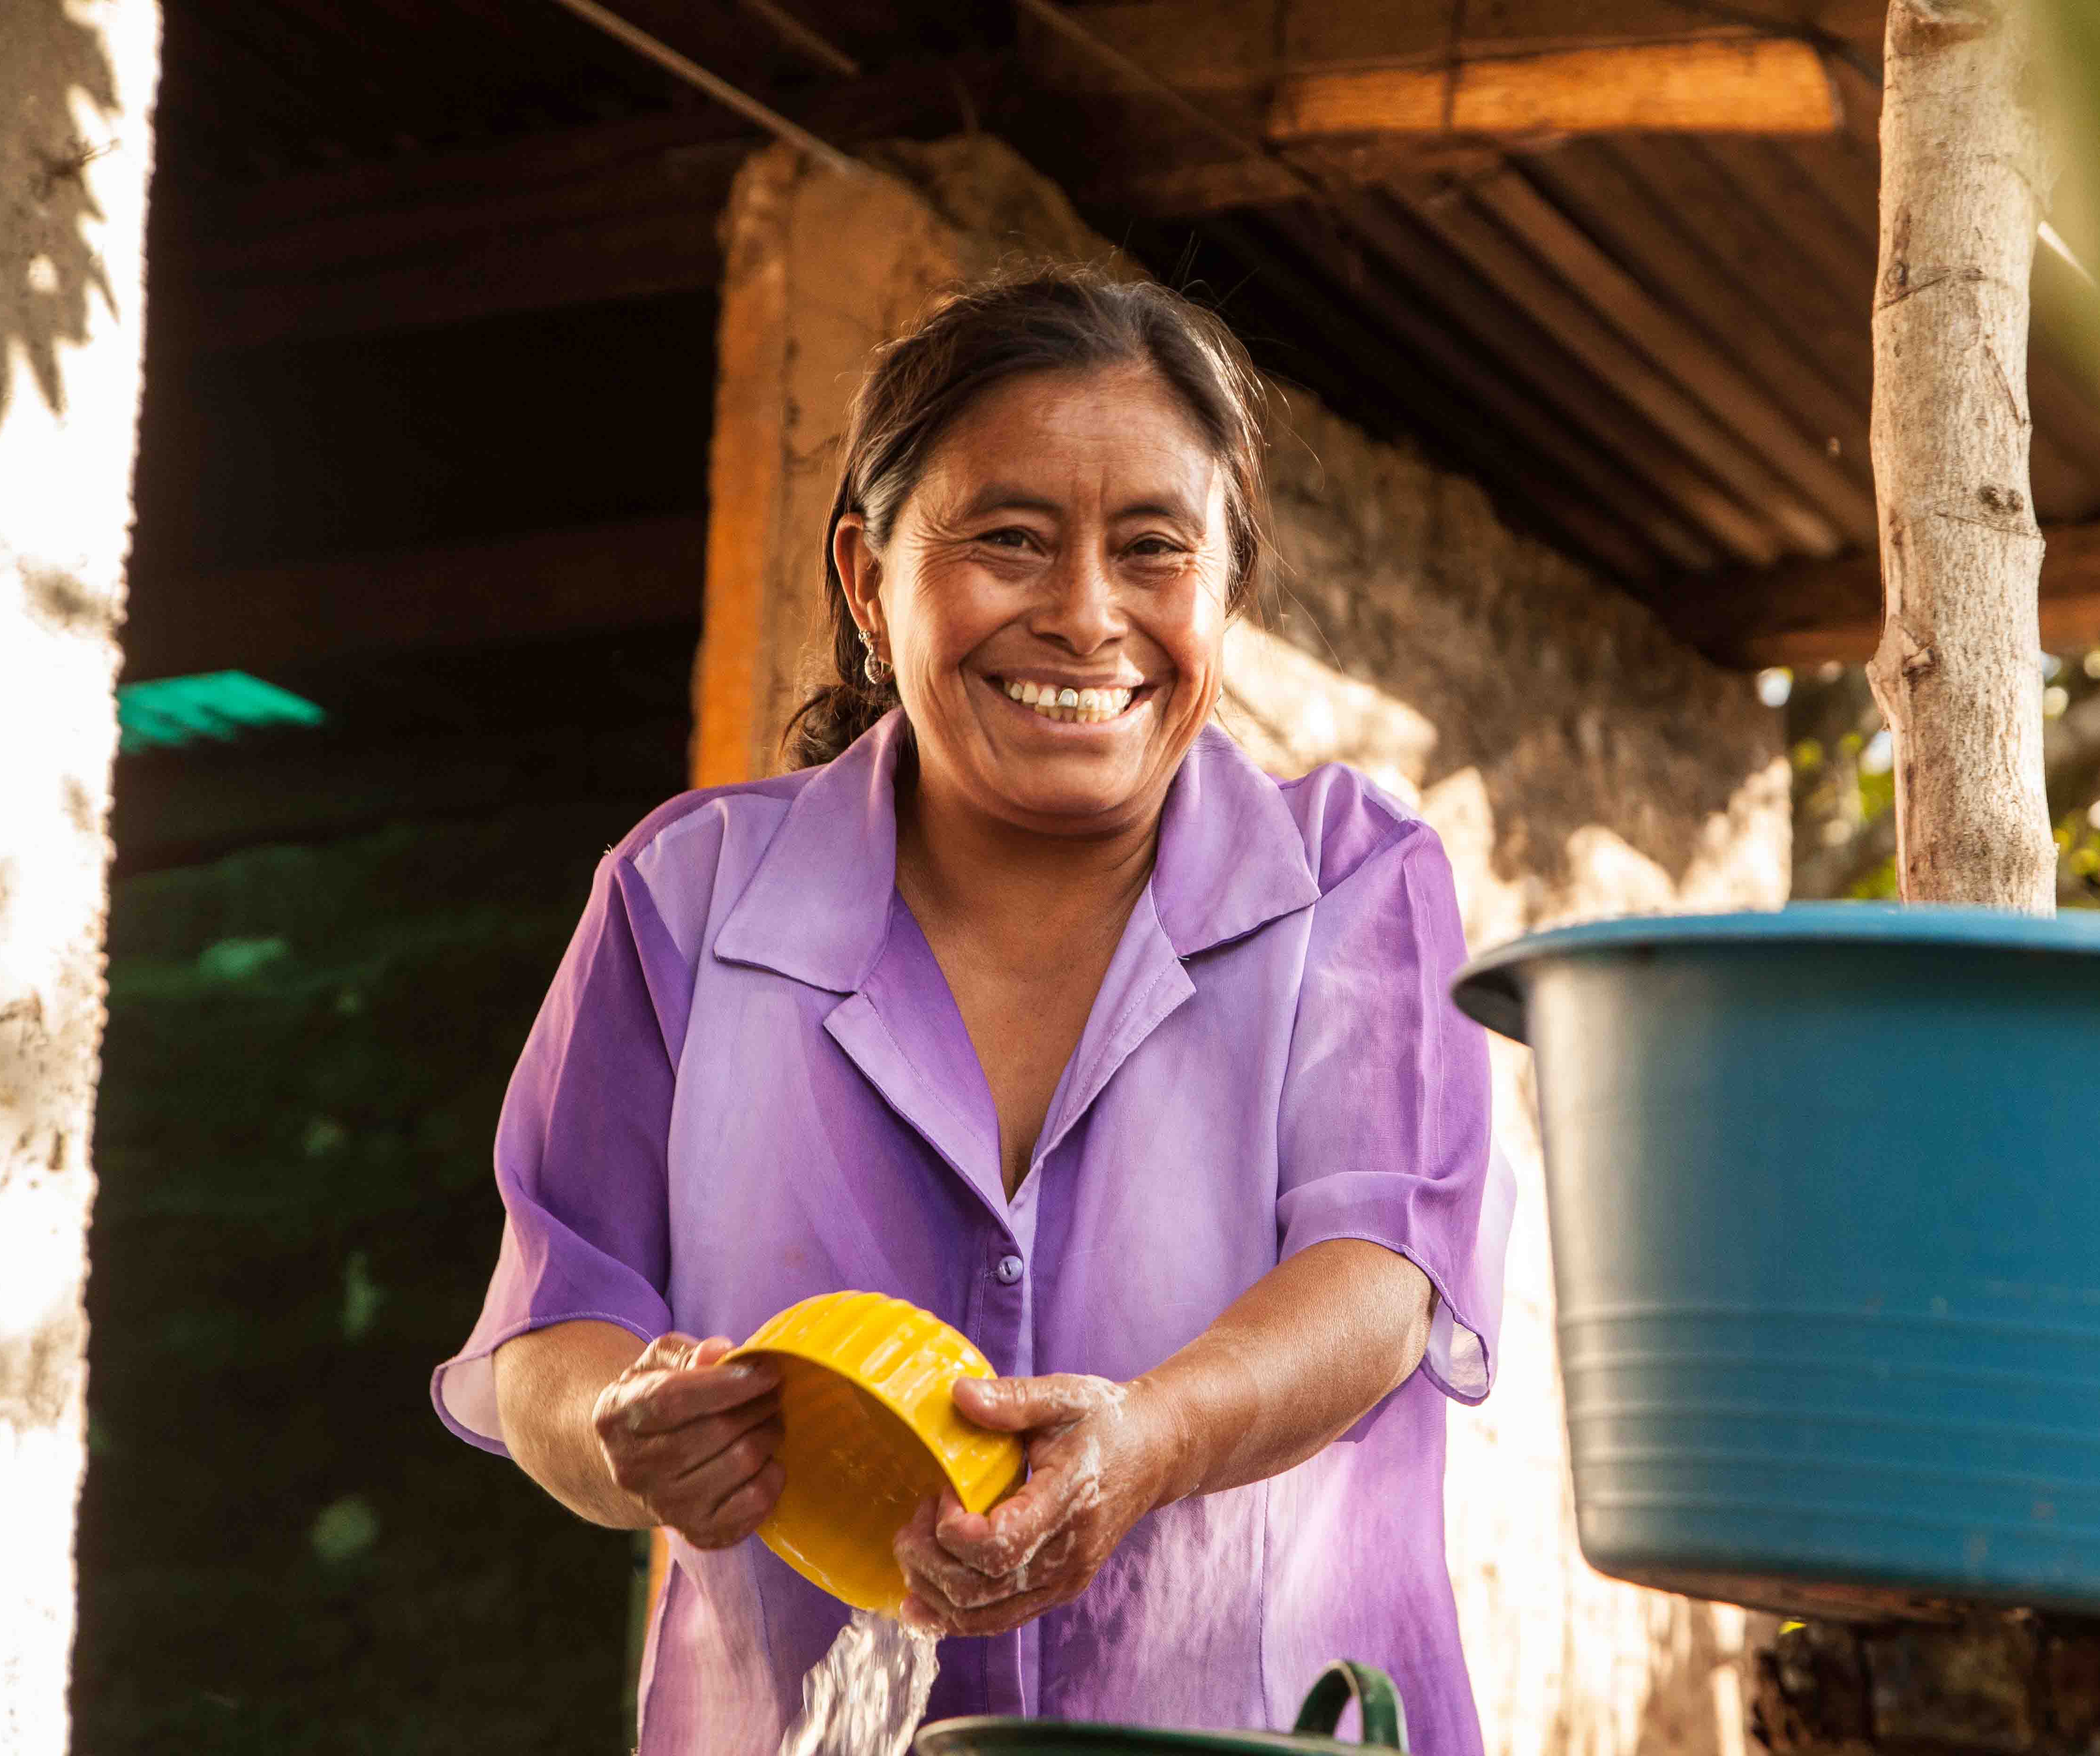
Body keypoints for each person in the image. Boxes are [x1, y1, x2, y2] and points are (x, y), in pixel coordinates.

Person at [431, 265, 1514, 1755]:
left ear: (1226, 593)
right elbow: (557, 1326)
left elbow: (1385, 1274)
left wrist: (1150, 1443)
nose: (1085, 616)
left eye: (1153, 550)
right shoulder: (684, 902)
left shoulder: (1349, 883)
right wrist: (631, 1430)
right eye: (1010, 539)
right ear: (870, 580)